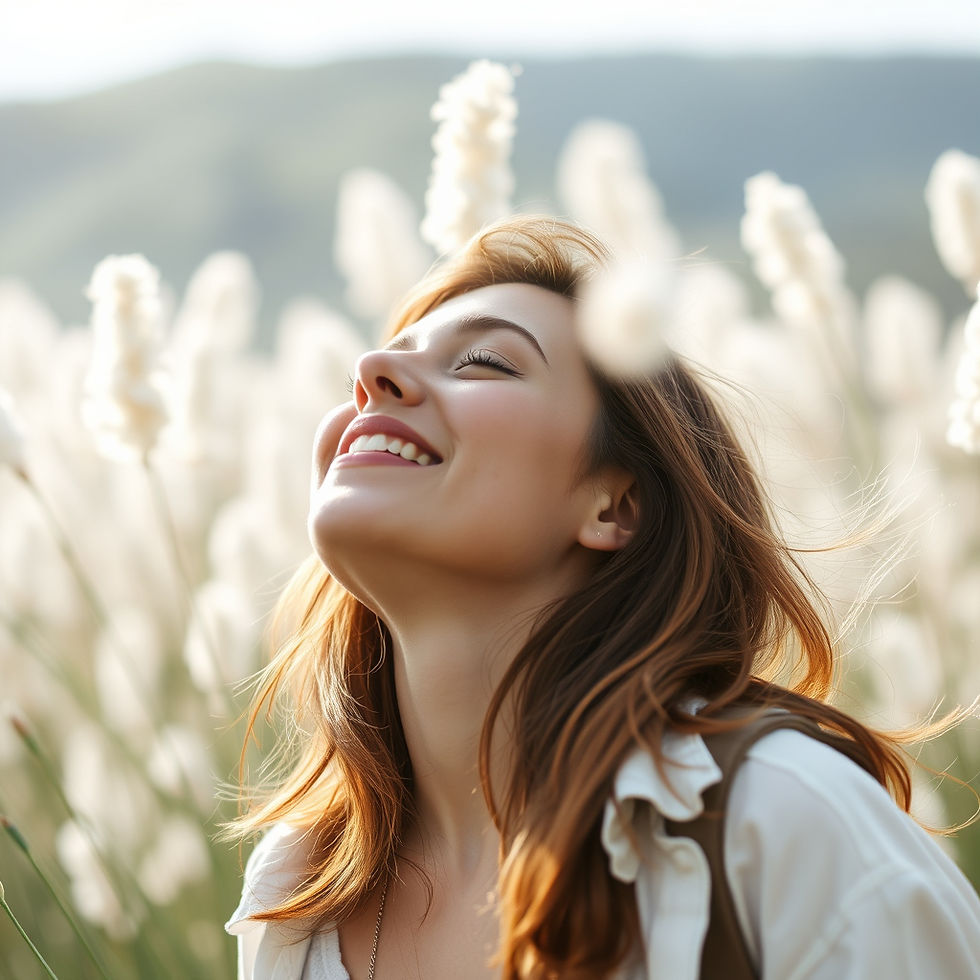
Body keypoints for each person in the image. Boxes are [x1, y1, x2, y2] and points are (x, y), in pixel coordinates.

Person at [226, 216, 980, 979]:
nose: (372, 369)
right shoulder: (295, 897)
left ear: (613, 506)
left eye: (483, 362)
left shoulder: (784, 823)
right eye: (386, 355)